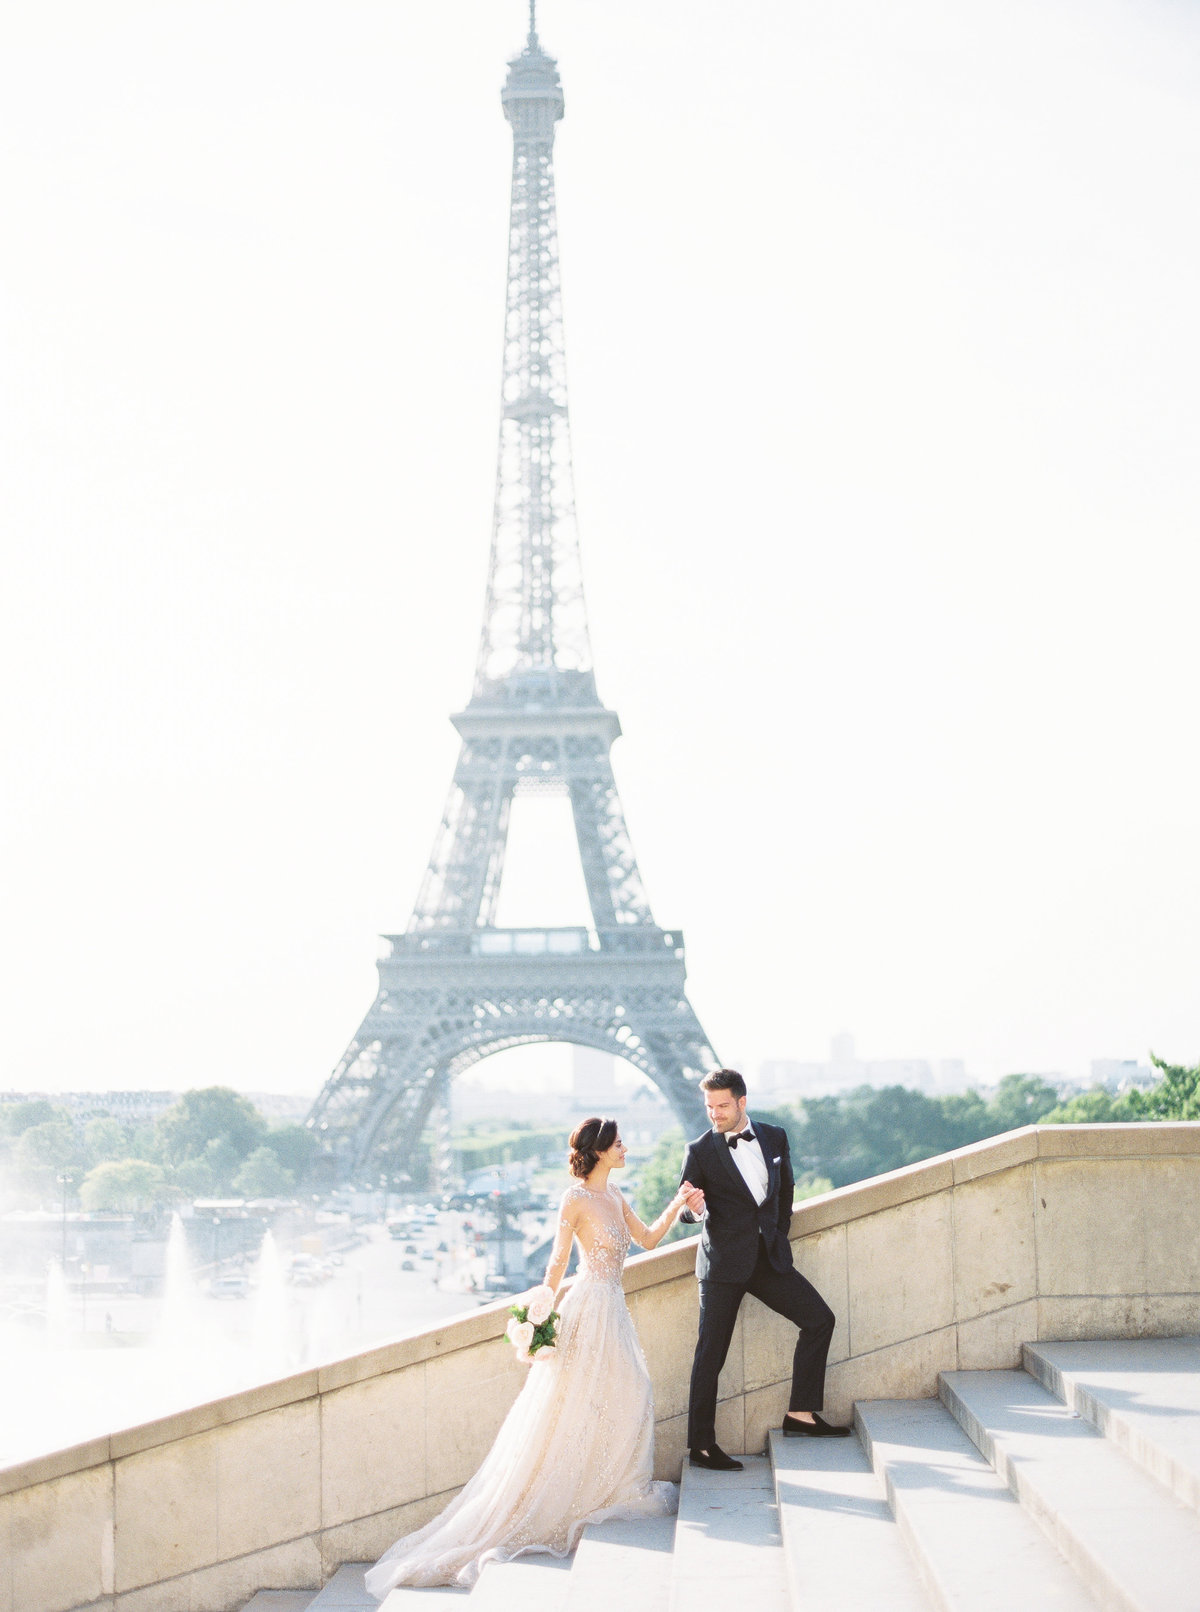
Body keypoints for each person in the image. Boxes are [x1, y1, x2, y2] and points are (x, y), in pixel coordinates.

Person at [365, 1116, 689, 1596]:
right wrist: (540, 1315)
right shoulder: (575, 1198)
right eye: (618, 1142)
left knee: (631, 1393)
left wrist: (679, 1201)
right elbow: (558, 1260)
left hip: (613, 1312)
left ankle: (608, 1487)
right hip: (586, 1310)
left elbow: (647, 1240)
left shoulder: (615, 1196)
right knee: (572, 1408)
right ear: (599, 1150)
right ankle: (573, 1495)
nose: (625, 1147)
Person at [678, 1068, 849, 1471]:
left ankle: (801, 1415)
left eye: (722, 1106)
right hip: (722, 1264)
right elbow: (685, 1205)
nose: (715, 1114)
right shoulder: (699, 1150)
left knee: (820, 1319)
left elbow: (784, 1189)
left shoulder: (774, 1136)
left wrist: (778, 1233)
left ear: (742, 1102)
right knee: (710, 1356)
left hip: (768, 1259)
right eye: (709, 1107)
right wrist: (694, 1210)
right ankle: (701, 1446)